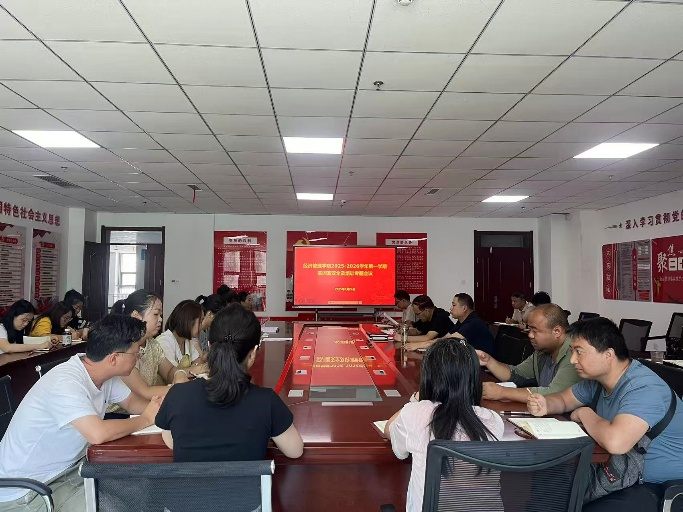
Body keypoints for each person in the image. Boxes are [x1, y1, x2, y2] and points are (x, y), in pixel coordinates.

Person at [0, 314, 162, 512]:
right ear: (114, 358)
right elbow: (97, 433)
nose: (138, 358)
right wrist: (145, 419)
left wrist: (161, 409)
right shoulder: (66, 382)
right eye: (136, 353)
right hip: (27, 490)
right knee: (111, 508)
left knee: (139, 488)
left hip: (69, 471)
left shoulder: (102, 375)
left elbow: (133, 404)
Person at [527, 318, 683, 512]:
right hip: (618, 470)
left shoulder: (644, 388)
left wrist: (585, 413)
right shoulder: (599, 380)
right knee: (548, 483)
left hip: (660, 486)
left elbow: (616, 442)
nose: (573, 360)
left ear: (608, 355)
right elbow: (563, 400)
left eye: (579, 352)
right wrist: (545, 404)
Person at [156, 303, 304, 463]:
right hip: (246, 481)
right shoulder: (266, 402)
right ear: (253, 353)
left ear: (209, 346)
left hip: (190, 481)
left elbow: (171, 441)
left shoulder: (177, 395)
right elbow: (295, 451)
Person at [384, 338, 504, 512]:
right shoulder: (492, 420)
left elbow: (389, 429)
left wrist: (416, 399)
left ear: (428, 377)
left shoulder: (416, 413)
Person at [477, 304, 582, 403]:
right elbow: (517, 374)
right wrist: (488, 361)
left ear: (557, 331)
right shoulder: (542, 351)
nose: (530, 335)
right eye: (529, 329)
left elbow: (556, 394)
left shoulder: (575, 354)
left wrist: (502, 392)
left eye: (535, 331)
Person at [107, 290, 189, 416]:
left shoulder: (153, 344)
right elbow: (144, 391)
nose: (160, 319)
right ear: (136, 316)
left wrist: (179, 374)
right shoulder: (122, 348)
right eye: (156, 314)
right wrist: (183, 389)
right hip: (118, 415)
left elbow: (169, 371)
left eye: (161, 315)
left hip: (144, 409)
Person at [156, 300, 206, 371]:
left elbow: (198, 362)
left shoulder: (187, 342)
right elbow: (173, 373)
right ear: (189, 321)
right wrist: (197, 369)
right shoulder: (165, 342)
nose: (202, 326)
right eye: (200, 322)